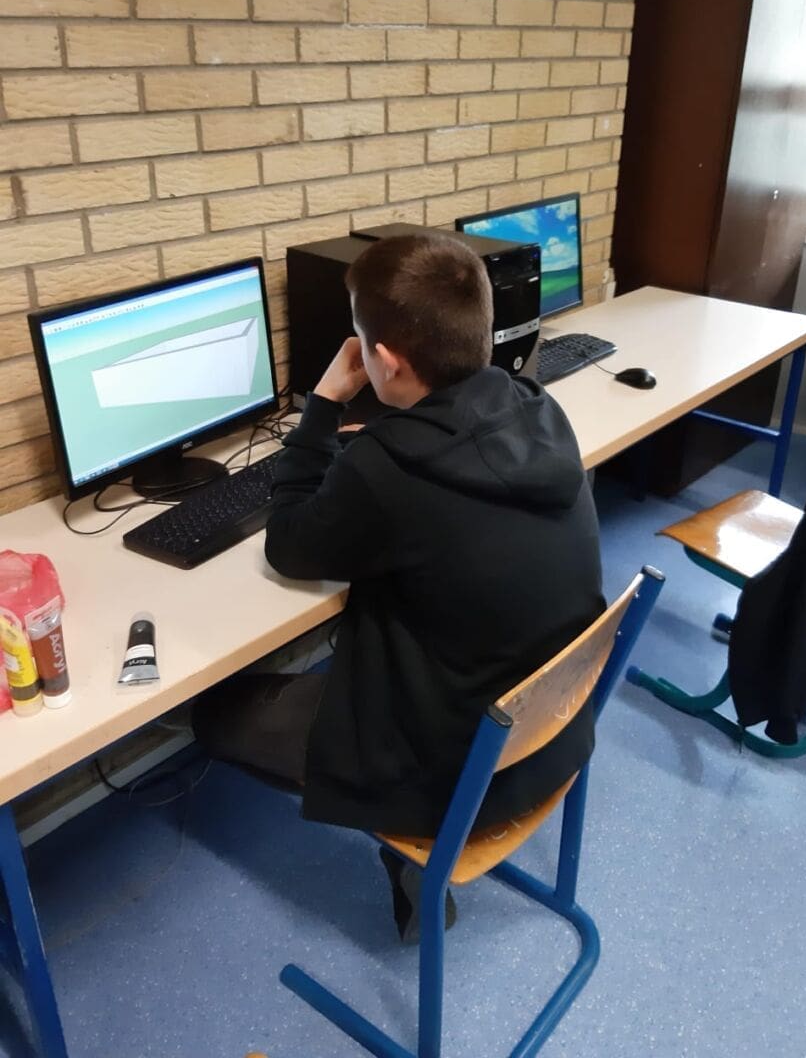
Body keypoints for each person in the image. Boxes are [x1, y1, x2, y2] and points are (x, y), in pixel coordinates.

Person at [193, 232, 605, 938]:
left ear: (384, 360)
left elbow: (288, 544)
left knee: (214, 713)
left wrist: (325, 404)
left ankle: (413, 843)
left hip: (451, 766)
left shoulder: (387, 468)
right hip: (552, 734)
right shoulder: (536, 405)